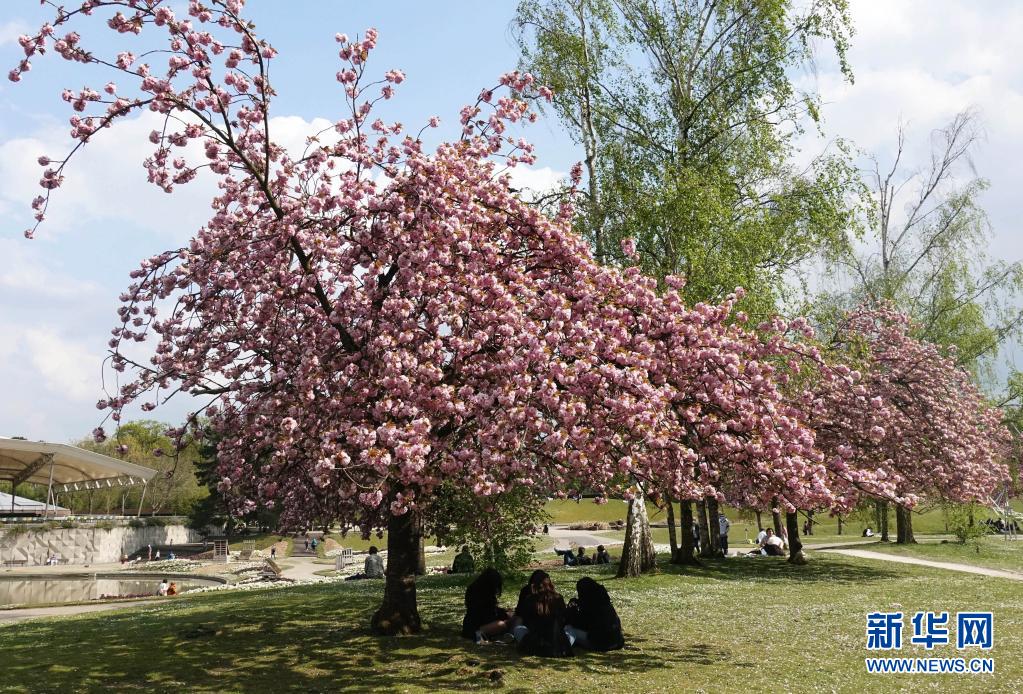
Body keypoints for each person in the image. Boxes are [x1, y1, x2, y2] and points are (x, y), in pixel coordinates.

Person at [516, 573, 573, 657]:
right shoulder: (558, 598)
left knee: (518, 629)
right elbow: (563, 618)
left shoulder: (530, 600)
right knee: (570, 630)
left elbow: (526, 620)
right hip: (555, 643)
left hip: (535, 642)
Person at [566, 577, 625, 651]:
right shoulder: (604, 600)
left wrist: (571, 612)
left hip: (600, 644)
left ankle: (564, 647)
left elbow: (580, 624)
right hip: (616, 641)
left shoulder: (590, 605)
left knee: (569, 629)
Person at [461, 568, 512, 643]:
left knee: (508, 618)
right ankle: (479, 636)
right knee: (502, 624)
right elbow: (486, 615)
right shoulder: (480, 595)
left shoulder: (476, 589)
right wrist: (504, 615)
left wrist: (504, 612)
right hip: (474, 628)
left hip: (474, 624)